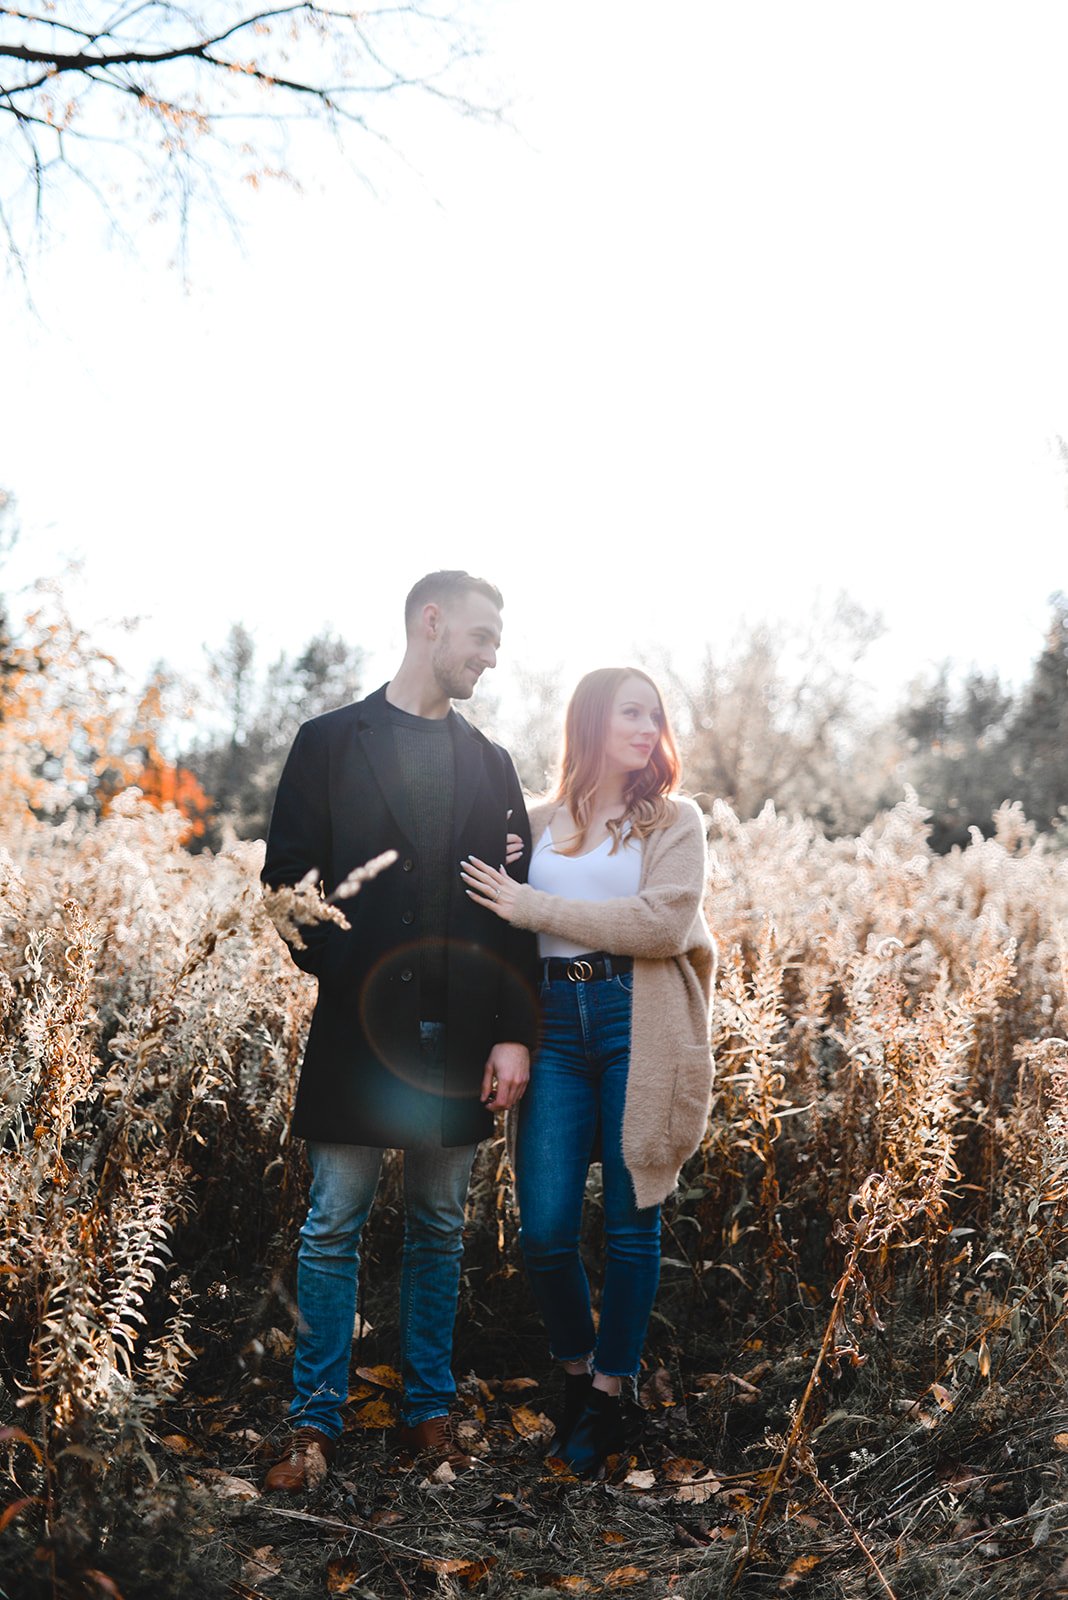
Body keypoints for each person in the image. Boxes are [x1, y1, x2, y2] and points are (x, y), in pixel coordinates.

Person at [261, 570, 538, 1491]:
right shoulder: (329, 742)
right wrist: (351, 985)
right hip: (356, 1032)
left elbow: (513, 913)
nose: (492, 654)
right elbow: (288, 891)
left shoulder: (494, 764)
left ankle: (426, 1413)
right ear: (431, 622)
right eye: (482, 634)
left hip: (462, 1038)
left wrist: (514, 1034)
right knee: (332, 1223)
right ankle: (313, 1426)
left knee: (437, 1227)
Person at [460, 666, 715, 1478]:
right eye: (632, 713)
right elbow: (489, 920)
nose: (649, 728)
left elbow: (662, 922)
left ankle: (609, 1392)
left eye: (656, 716)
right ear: (592, 722)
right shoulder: (533, 825)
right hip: (552, 1027)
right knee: (543, 1231)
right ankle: (576, 1372)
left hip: (635, 1018)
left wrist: (536, 906)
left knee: (632, 1224)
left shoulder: (676, 822)